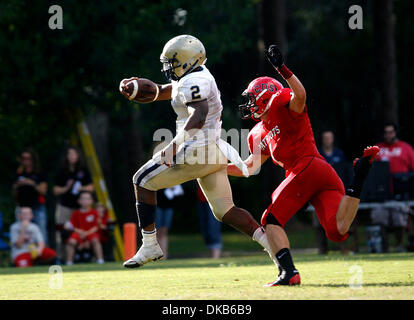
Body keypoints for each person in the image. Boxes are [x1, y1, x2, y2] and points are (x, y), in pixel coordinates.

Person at [228, 44, 379, 286]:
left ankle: (289, 273)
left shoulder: (281, 102)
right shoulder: (256, 133)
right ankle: (358, 179)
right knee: (337, 231)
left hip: (307, 166)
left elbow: (300, 96)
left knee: (270, 220)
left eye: (252, 99)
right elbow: (250, 167)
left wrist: (282, 69)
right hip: (317, 173)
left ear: (266, 96)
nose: (249, 104)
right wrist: (216, 168)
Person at [120, 34, 273, 269]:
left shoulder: (195, 81)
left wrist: (174, 144)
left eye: (171, 63)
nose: (168, 67)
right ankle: (274, 247)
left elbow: (199, 114)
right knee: (226, 211)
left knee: (141, 180)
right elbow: (165, 91)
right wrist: (135, 88)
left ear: (187, 61)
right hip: (214, 152)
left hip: (197, 151)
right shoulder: (194, 76)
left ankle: (150, 245)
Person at [372, 123, 414, 251]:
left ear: (395, 133)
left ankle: (399, 244)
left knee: (399, 219)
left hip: (401, 194)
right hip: (381, 194)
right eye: (386, 132)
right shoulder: (377, 149)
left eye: (391, 132)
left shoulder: (406, 148)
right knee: (379, 217)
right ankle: (384, 247)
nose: (388, 135)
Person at [53, 146, 94, 263]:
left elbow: (91, 187)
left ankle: (81, 257)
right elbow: (55, 190)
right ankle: (60, 258)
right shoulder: (61, 171)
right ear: (66, 157)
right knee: (62, 232)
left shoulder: (83, 170)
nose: (72, 157)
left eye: (74, 154)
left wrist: (81, 188)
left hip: (79, 209)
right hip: (65, 207)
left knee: (82, 232)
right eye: (70, 154)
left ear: (78, 156)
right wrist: (67, 188)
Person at [12, 148, 48, 243]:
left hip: (37, 207)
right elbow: (14, 193)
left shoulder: (39, 172)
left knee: (41, 234)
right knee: (24, 235)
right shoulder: (18, 172)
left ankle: (44, 255)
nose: (26, 161)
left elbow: (43, 191)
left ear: (33, 159)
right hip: (22, 208)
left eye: (28, 158)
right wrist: (16, 186)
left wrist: (32, 183)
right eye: (23, 158)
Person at [65, 191, 104, 265]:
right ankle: (69, 262)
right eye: (83, 199)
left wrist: (86, 233)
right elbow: (71, 226)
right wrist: (80, 232)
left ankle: (100, 260)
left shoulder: (94, 212)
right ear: (79, 201)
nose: (85, 201)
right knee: (71, 242)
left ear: (91, 201)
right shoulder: (75, 213)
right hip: (78, 234)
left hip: (90, 233)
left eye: (87, 199)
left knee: (95, 241)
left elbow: (96, 227)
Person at [155, 185, 184, 259]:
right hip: (158, 206)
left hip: (169, 207)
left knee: (164, 231)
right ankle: (157, 254)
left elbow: (179, 192)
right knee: (157, 231)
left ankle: (164, 255)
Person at [197, 183, 222, 258]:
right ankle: (212, 257)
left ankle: (215, 258)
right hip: (201, 199)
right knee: (206, 230)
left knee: (213, 227)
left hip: (214, 199)